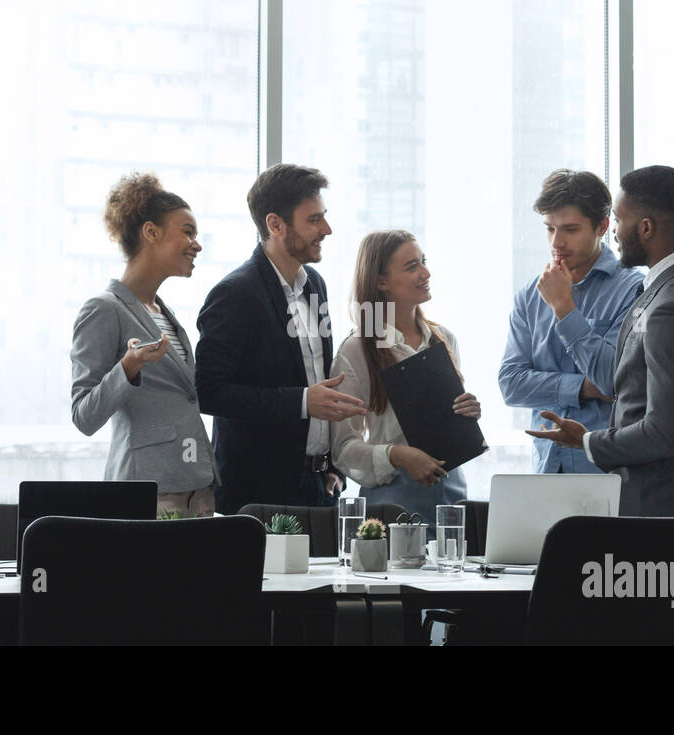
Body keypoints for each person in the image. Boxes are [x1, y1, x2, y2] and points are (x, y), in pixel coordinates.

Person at [526, 165, 674, 517]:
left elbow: (664, 433)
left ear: (646, 228)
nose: (616, 235)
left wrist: (587, 440)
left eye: (619, 221)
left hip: (662, 510)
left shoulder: (673, 305)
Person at [196, 164, 366, 515]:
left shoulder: (315, 285)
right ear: (275, 224)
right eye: (314, 220)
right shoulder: (234, 294)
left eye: (325, 217)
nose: (327, 230)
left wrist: (332, 467)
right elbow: (209, 392)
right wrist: (302, 402)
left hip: (319, 489)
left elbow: (317, 381)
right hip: (259, 496)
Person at [70, 172, 217, 517]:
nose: (196, 244)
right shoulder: (103, 309)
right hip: (148, 490)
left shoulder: (164, 313)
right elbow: (83, 415)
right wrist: (128, 366)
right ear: (151, 232)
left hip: (195, 487)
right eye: (187, 231)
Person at [330, 230, 480, 530]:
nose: (425, 273)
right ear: (380, 281)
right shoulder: (357, 350)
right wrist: (397, 455)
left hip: (452, 494)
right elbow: (343, 449)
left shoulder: (444, 339)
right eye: (412, 266)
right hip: (392, 500)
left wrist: (469, 412)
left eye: (423, 262)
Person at [499, 169, 644, 474]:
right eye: (550, 229)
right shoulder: (530, 295)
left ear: (602, 226)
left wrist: (564, 308)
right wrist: (582, 388)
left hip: (604, 471)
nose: (557, 241)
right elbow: (510, 384)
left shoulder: (633, 289)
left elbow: (610, 378)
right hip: (546, 467)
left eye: (570, 229)